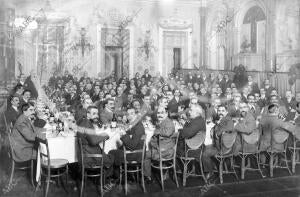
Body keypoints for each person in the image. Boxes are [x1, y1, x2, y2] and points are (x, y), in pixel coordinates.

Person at [77, 106, 114, 175]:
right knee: (112, 157)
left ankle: (102, 180)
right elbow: (93, 141)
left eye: (97, 114)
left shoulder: (83, 122)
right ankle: (104, 181)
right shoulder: (87, 124)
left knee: (109, 156)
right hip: (91, 157)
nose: (96, 116)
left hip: (85, 155)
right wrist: (106, 135)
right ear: (88, 114)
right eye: (94, 114)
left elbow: (90, 137)